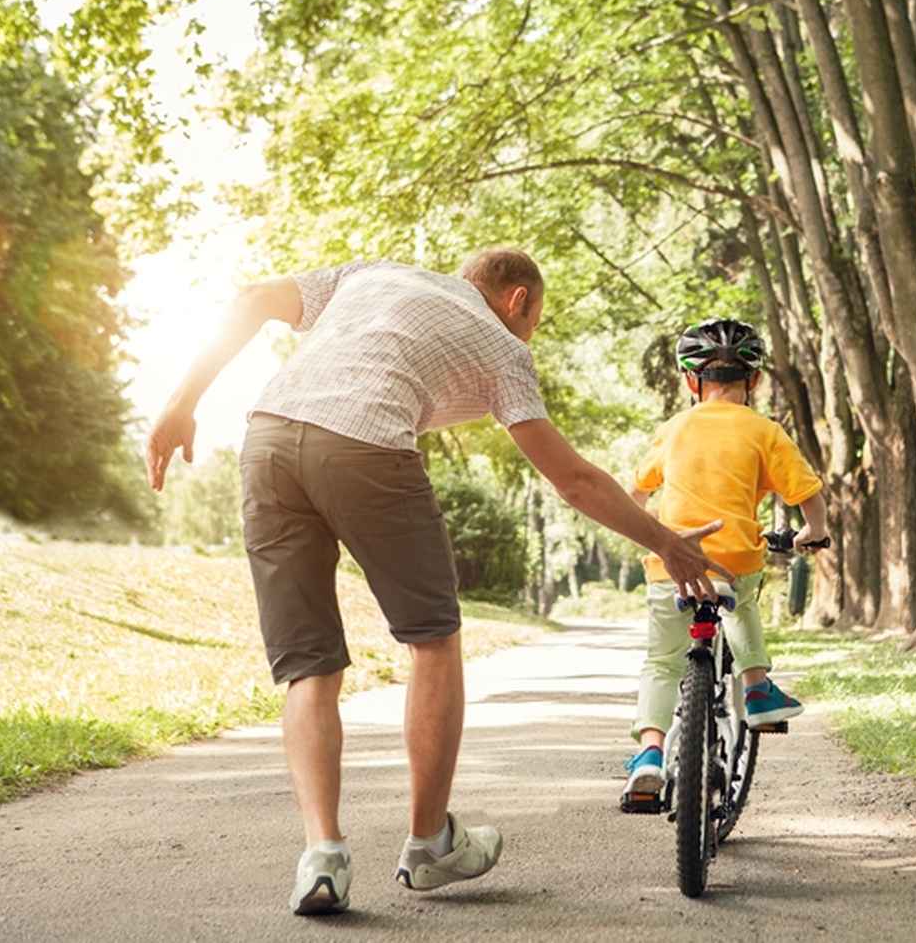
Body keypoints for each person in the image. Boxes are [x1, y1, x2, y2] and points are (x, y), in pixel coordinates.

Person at [144, 249, 732, 915]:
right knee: (432, 640)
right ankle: (428, 844)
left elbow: (250, 297)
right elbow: (572, 478)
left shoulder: (370, 274)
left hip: (269, 441)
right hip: (366, 446)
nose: (529, 332)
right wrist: (666, 544)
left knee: (308, 665)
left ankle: (323, 855)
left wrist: (179, 403)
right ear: (517, 301)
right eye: (535, 318)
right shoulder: (502, 344)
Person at [620, 318, 828, 806]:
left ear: (691, 381)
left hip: (670, 561)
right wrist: (812, 533)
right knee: (742, 604)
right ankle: (756, 688)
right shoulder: (764, 430)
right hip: (733, 556)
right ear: (753, 380)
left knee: (661, 661)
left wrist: (650, 533)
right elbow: (807, 493)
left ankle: (650, 754)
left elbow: (636, 493)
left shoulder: (673, 429)